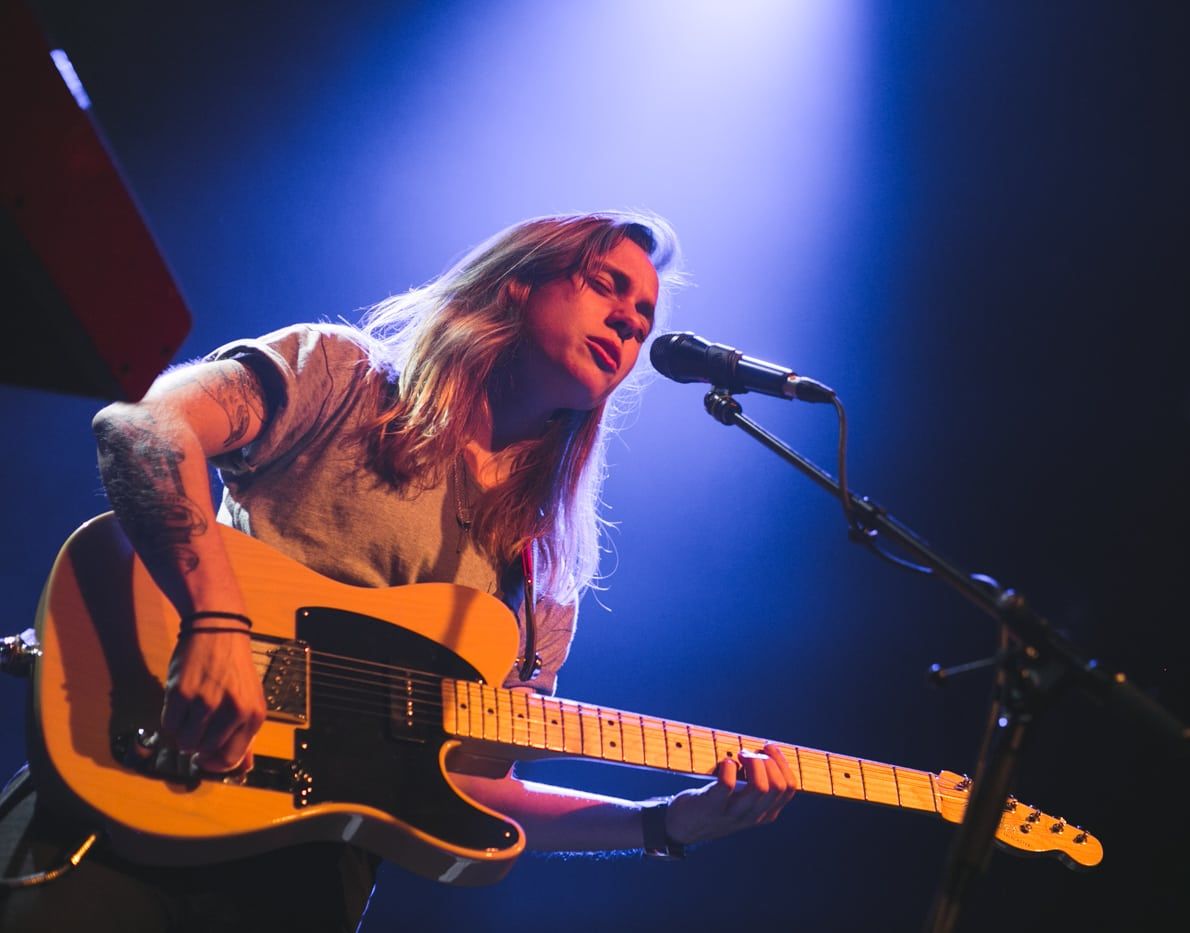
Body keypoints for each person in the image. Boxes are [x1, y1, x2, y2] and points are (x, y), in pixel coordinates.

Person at [0, 211, 795, 930]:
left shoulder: (541, 568)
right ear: (518, 286)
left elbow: (479, 785)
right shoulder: (342, 378)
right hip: (140, 788)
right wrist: (214, 619)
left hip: (303, 886)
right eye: (606, 286)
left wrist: (665, 822)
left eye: (645, 313)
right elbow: (144, 427)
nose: (630, 319)